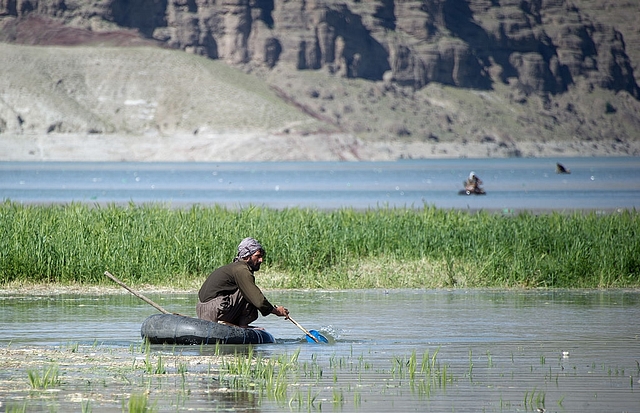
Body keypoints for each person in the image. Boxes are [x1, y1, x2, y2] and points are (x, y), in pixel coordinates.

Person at [197, 237, 289, 328]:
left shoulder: (235, 267)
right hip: (214, 310)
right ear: (247, 256)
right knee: (248, 291)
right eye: (258, 256)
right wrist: (276, 311)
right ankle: (242, 326)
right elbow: (258, 300)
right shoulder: (241, 270)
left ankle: (235, 324)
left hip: (203, 310)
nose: (261, 260)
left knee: (246, 289)